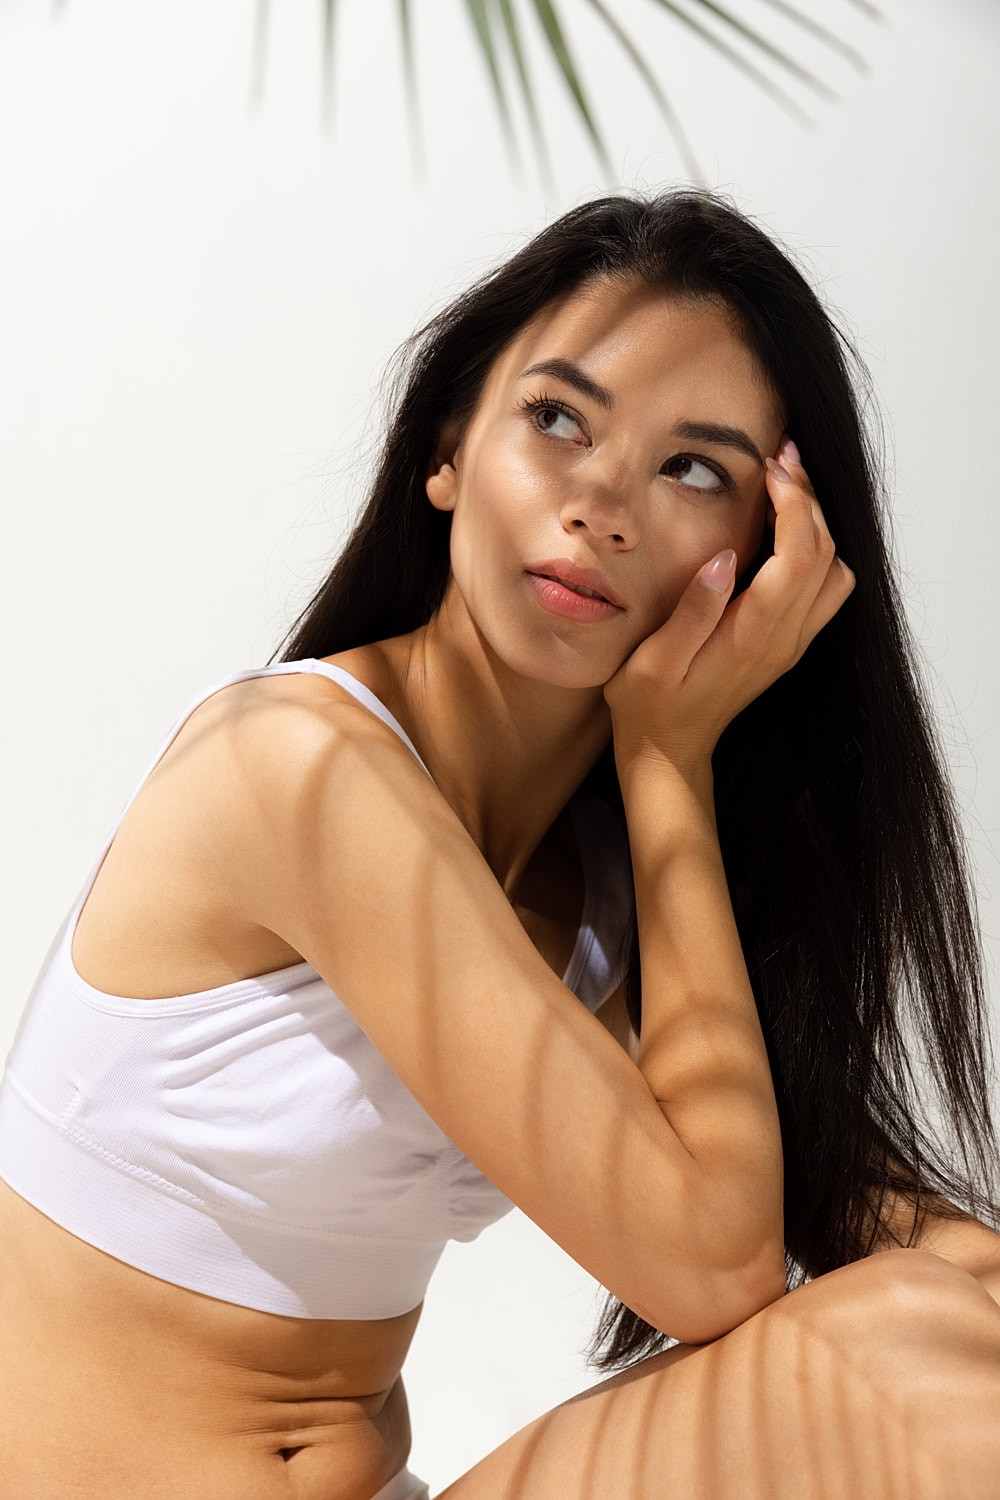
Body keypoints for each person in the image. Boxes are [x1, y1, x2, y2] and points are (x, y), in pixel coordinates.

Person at [1, 190, 998, 1500]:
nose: (601, 503)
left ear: (765, 556)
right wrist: (665, 754)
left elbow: (916, 1249)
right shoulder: (295, 765)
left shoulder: (616, 883)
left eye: (693, 467)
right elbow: (711, 1265)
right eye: (558, 420)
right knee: (913, 1359)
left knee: (955, 1317)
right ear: (448, 449)